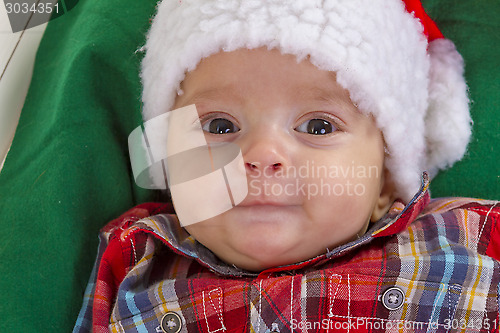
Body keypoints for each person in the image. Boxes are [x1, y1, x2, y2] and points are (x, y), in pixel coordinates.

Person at [73, 0, 500, 332]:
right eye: (219, 125)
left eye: (317, 127)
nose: (260, 155)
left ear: (387, 180)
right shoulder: (134, 258)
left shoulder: (468, 238)